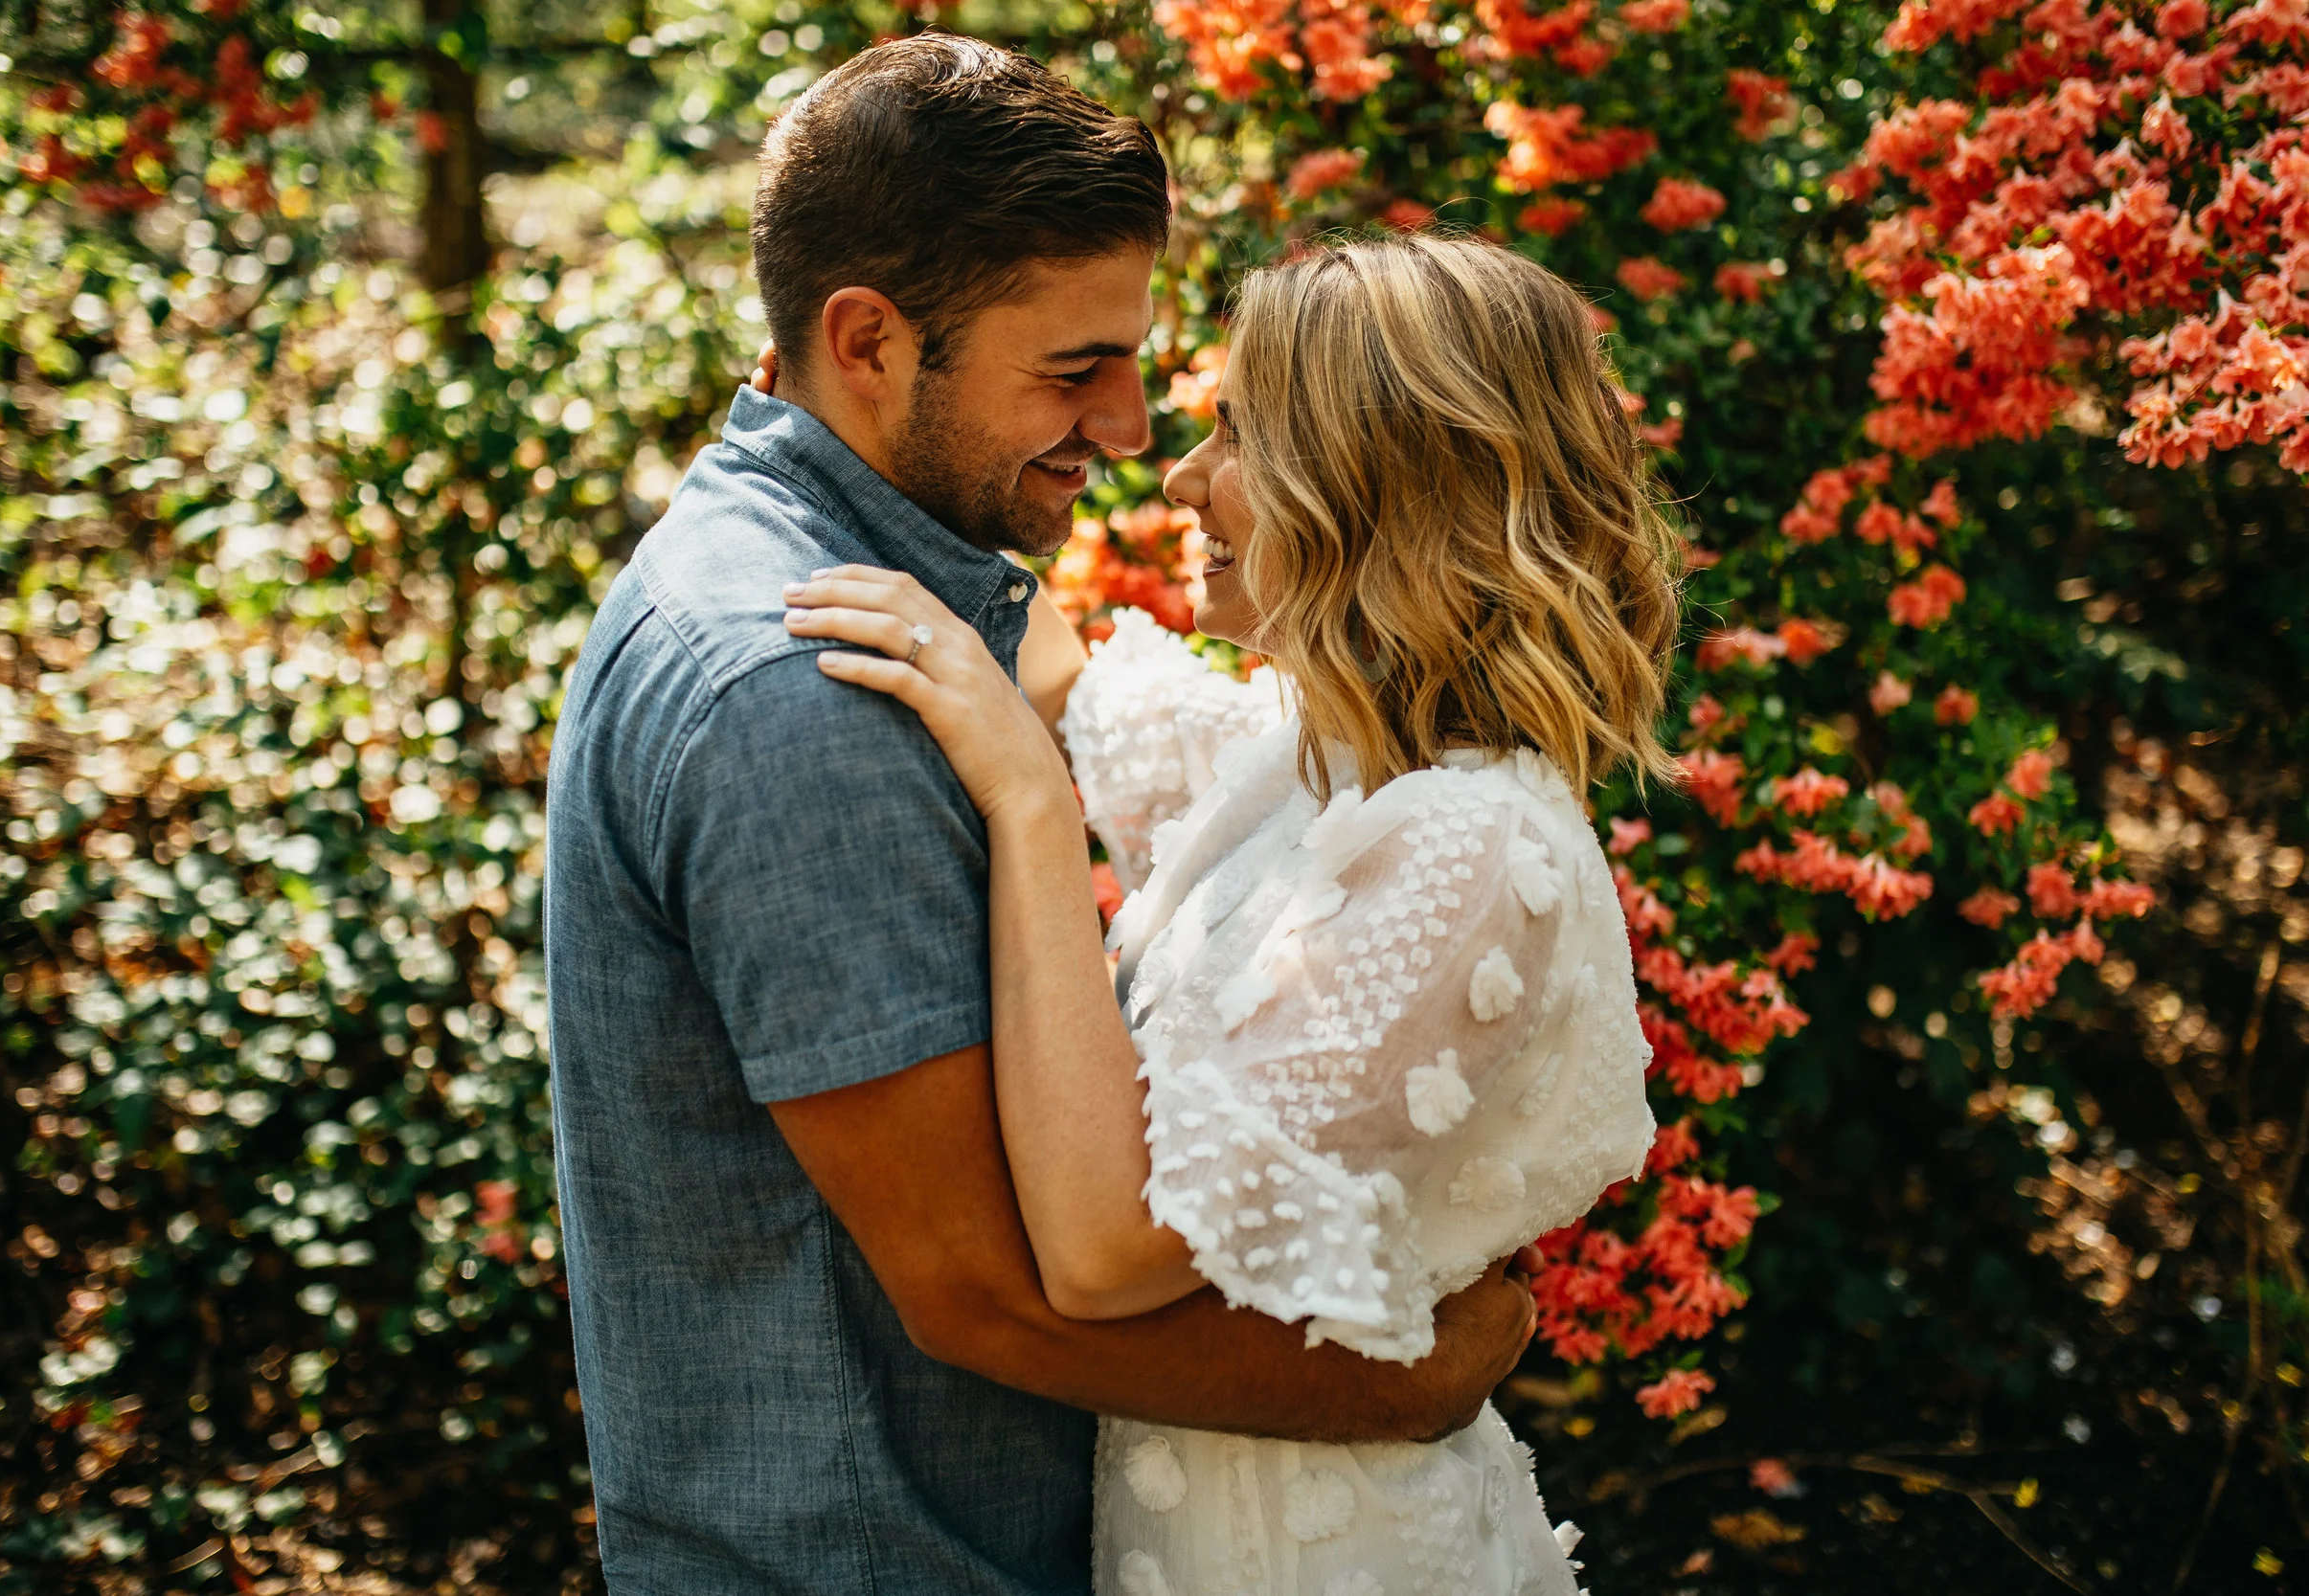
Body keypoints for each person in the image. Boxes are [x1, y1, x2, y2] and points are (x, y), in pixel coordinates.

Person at [543, 37, 1544, 1596]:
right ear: (867, 341)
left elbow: (1097, 699)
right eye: (1075, 372)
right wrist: (1404, 1387)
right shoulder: (805, 696)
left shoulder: (847, 582)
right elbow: (986, 1294)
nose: (1135, 431)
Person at [781, 231, 1679, 1593]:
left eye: (1239, 436)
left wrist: (1032, 808)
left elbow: (1101, 1254)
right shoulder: (1305, 756)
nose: (1185, 478)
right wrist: (806, 445)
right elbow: (1059, 670)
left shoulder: (1472, 844)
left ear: (1382, 479)